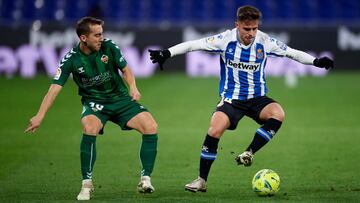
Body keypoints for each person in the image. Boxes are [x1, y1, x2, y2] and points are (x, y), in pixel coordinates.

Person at [149, 5, 333, 192]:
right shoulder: (224, 40)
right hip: (232, 100)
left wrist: (315, 61)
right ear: (237, 25)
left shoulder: (265, 41)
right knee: (214, 130)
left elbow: (292, 52)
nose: (251, 33)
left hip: (257, 98)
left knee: (278, 114)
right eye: (247, 29)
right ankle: (201, 180)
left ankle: (249, 152)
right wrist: (167, 53)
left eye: (254, 28)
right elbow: (193, 44)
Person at [25, 17, 158, 200]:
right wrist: (40, 116)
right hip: (95, 104)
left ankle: (145, 179)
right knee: (89, 128)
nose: (101, 38)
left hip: (120, 99)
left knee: (150, 126)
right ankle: (86, 184)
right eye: (97, 35)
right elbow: (54, 89)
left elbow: (126, 70)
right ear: (83, 38)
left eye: (101, 34)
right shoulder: (71, 59)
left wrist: (133, 87)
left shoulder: (109, 46)